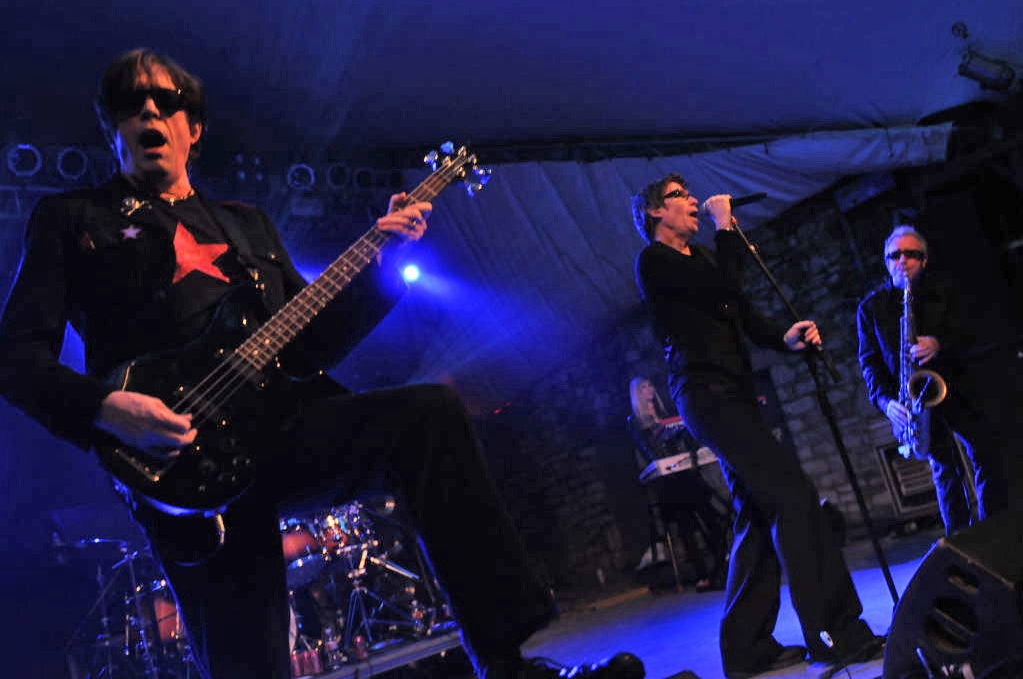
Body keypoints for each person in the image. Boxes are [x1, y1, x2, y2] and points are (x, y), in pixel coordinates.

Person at [0, 49, 644, 679]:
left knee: (429, 414)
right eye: (128, 102)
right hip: (179, 465)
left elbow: (308, 347)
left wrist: (383, 268)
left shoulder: (246, 225)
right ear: (111, 129)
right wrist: (103, 408)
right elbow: (15, 354)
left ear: (193, 128)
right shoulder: (71, 219)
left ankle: (506, 662)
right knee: (249, 659)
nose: (148, 110)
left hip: (282, 430)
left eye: (165, 100)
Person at [632, 174, 882, 679]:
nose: (694, 200)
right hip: (706, 395)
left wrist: (782, 338)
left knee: (754, 510)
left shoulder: (703, 258)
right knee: (793, 495)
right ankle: (833, 631)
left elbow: (737, 311)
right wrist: (726, 228)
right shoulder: (654, 262)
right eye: (680, 195)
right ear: (656, 212)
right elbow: (725, 288)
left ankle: (746, 649)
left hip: (734, 392)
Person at [856, 225, 1008, 534]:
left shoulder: (947, 291)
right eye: (895, 255)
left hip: (958, 387)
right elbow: (870, 363)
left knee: (986, 456)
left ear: (924, 260)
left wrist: (940, 344)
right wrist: (885, 402)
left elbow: (973, 333)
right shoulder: (870, 308)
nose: (902, 260)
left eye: (911, 254)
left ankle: (995, 530)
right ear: (886, 261)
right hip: (917, 398)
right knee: (944, 471)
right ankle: (960, 539)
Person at [627, 376, 728, 591]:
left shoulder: (666, 413)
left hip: (686, 473)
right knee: (685, 525)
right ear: (637, 394)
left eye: (650, 385)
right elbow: (646, 451)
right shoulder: (635, 422)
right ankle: (702, 574)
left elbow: (684, 434)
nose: (650, 390)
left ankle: (724, 564)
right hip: (668, 483)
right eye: (644, 387)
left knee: (709, 515)